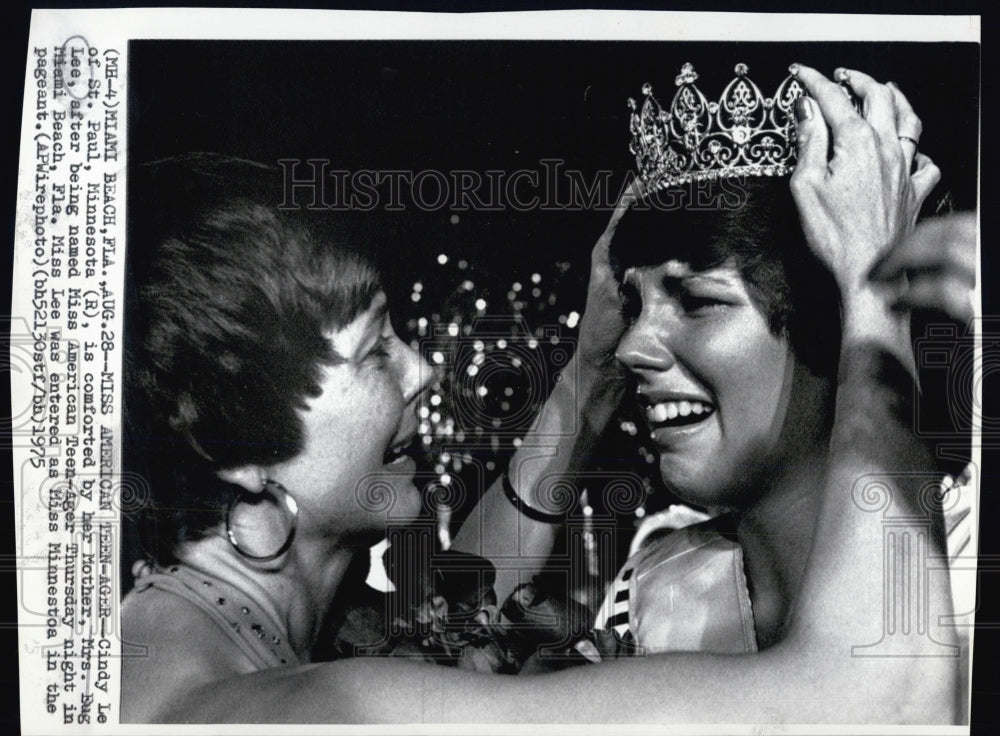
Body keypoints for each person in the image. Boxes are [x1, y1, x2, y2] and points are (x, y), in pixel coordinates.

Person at [121, 64, 960, 723]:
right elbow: (881, 697)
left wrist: (591, 373)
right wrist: (882, 295)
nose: (425, 372)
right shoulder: (300, 705)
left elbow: (444, 624)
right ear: (237, 455)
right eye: (376, 352)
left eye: (695, 299)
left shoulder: (197, 638)